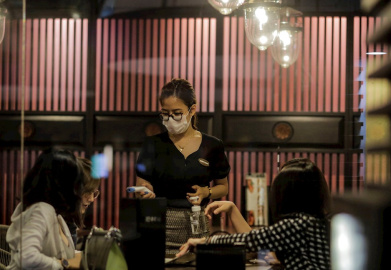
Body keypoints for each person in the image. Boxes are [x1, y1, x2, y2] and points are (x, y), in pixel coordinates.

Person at [177, 158, 331, 270]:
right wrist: (232, 209)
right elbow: (257, 244)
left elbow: (251, 240)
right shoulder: (319, 222)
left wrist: (204, 242)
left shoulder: (298, 225)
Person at [135, 78, 231, 256]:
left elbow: (223, 187)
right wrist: (144, 192)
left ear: (192, 110)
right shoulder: (152, 145)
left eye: (177, 113)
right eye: (165, 114)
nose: (170, 119)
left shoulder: (212, 145)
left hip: (198, 227)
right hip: (160, 227)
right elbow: (142, 185)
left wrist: (206, 192)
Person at [6, 148, 86, 270]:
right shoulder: (42, 210)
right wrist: (64, 264)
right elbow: (26, 257)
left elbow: (62, 254)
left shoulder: (55, 215)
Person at [67, 157, 101, 249]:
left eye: (94, 193)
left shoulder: (69, 221)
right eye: (87, 192)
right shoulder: (46, 215)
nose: (91, 199)